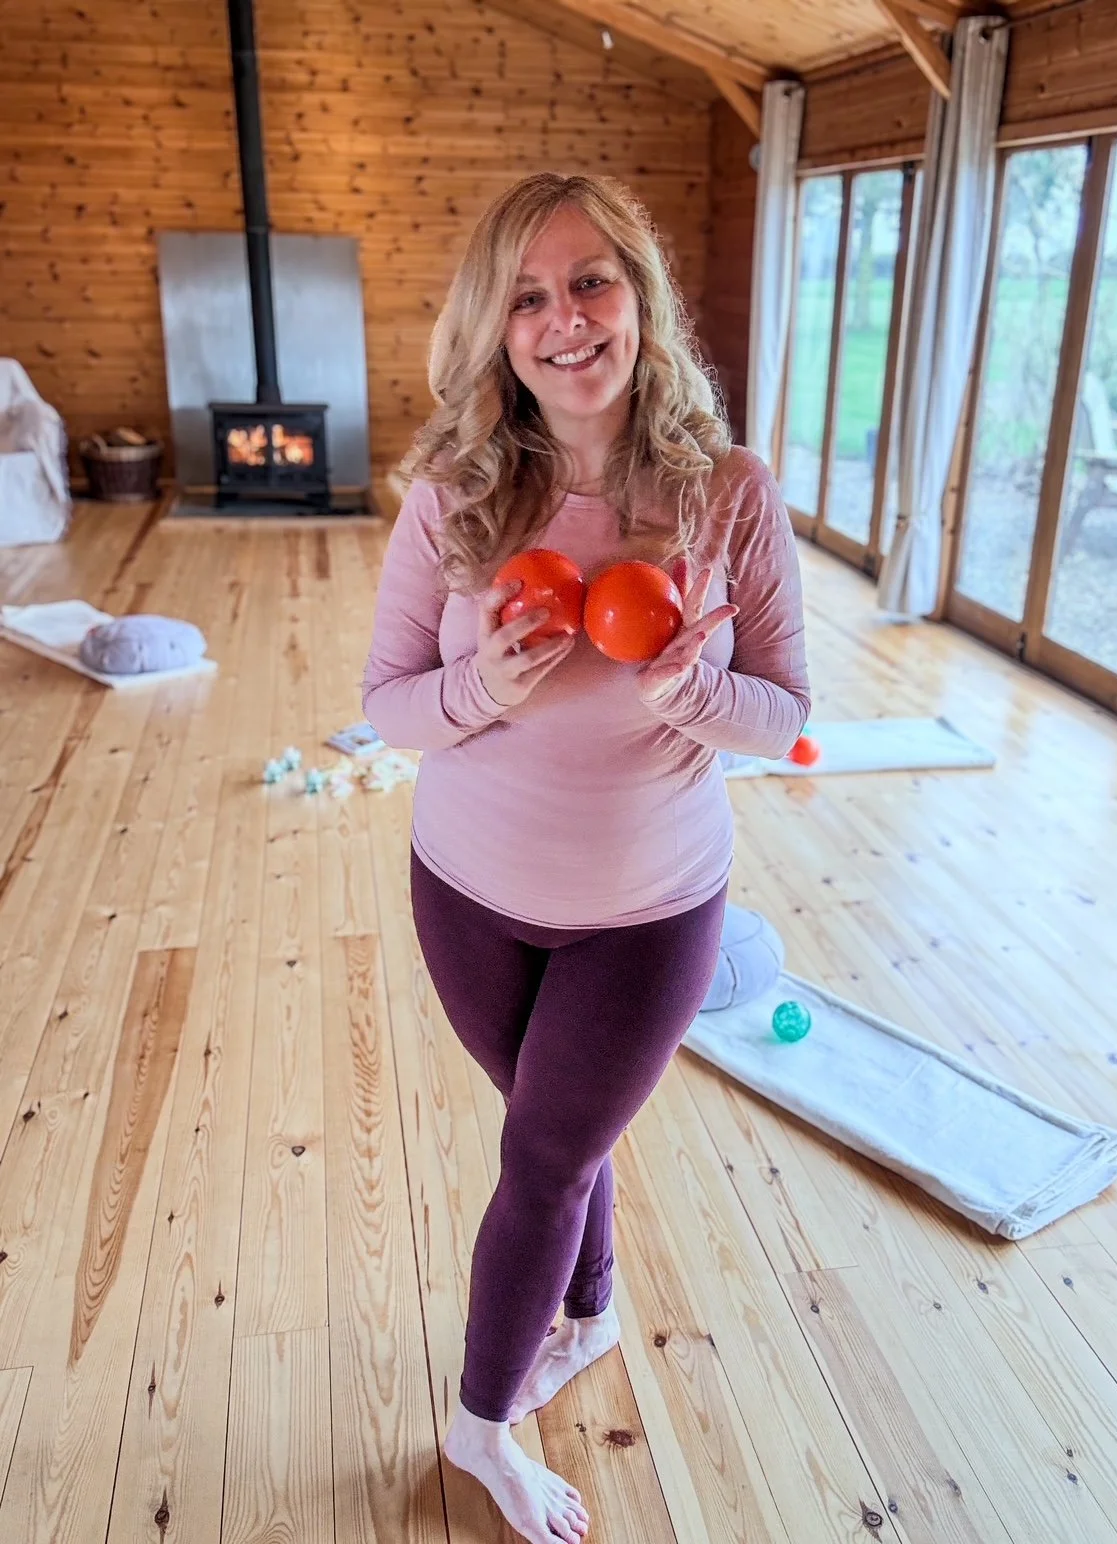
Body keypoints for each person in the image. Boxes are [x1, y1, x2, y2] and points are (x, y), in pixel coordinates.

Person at [362, 171, 809, 1544]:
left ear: (642, 298)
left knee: (548, 1153)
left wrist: (692, 697)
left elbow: (787, 718)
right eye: (529, 295)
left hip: (649, 908)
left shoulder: (726, 493)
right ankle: (594, 1313)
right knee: (559, 1135)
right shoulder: (455, 494)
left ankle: (479, 1427)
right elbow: (382, 708)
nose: (565, 321)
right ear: (496, 329)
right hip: (467, 897)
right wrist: (482, 688)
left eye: (591, 282)